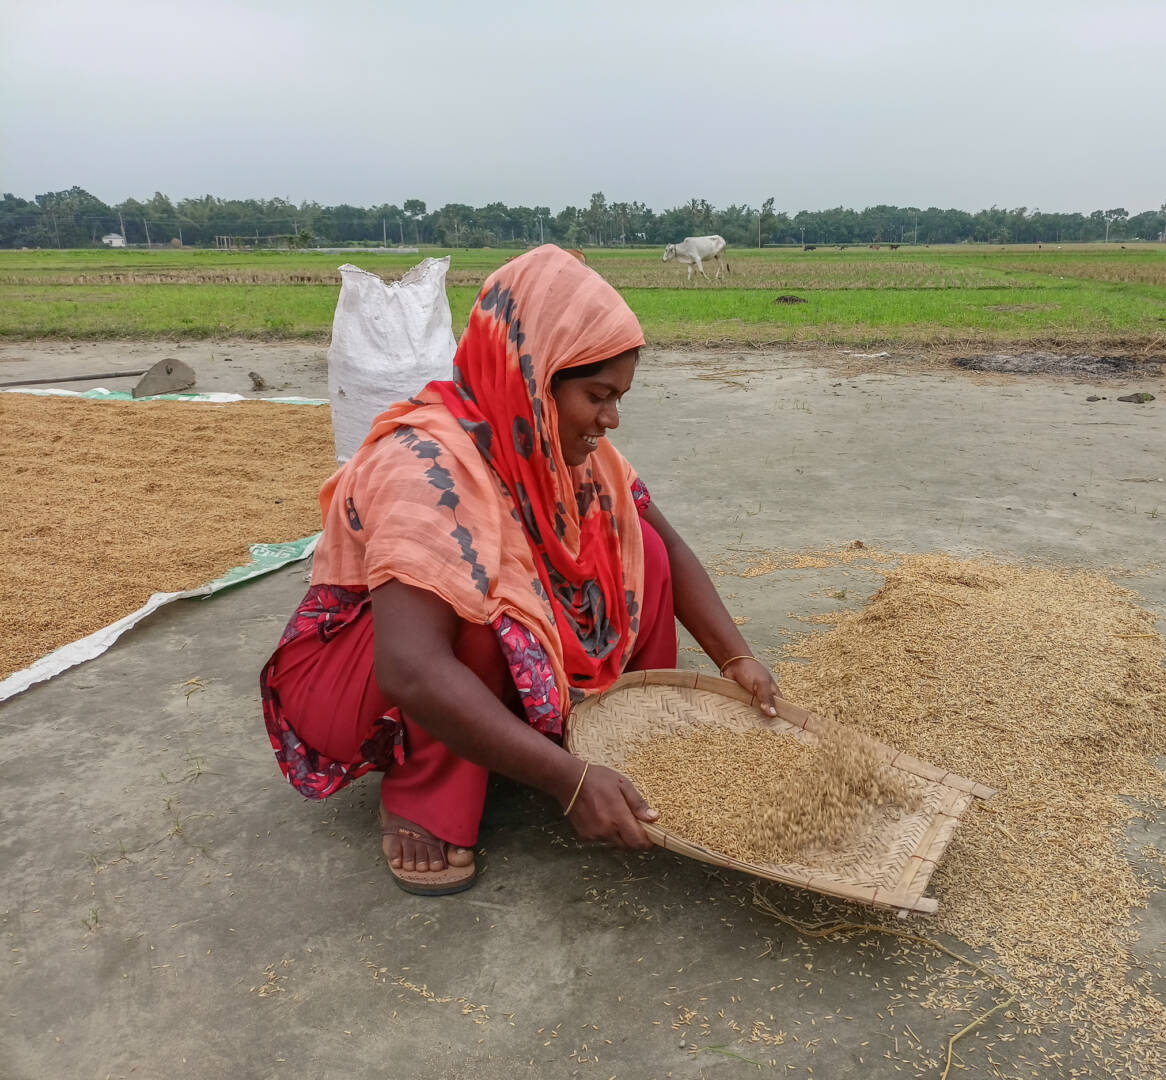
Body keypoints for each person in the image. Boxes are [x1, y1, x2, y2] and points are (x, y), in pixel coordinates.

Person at [260, 245, 779, 895]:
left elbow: (666, 547)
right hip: (370, 675)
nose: (612, 419)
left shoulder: (555, 447)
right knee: (483, 613)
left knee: (635, 544)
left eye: (618, 397)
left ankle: (609, 738)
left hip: (454, 652)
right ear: (535, 376)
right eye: (598, 395)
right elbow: (409, 666)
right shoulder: (423, 463)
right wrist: (570, 783)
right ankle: (425, 800)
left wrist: (737, 658)